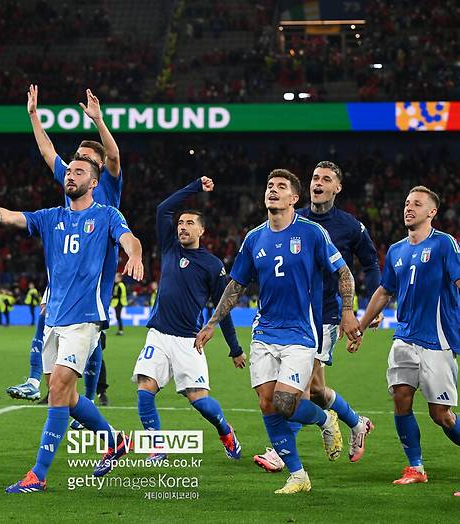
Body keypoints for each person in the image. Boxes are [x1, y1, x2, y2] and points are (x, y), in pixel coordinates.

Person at [0, 154, 144, 493]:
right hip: (54, 319)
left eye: (79, 171)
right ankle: (114, 441)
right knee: (63, 395)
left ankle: (38, 474)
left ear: (93, 182)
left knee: (58, 391)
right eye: (68, 171)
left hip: (85, 320)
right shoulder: (51, 218)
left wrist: (134, 255)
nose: (71, 175)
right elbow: (9, 217)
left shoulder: (107, 215)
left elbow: (130, 239)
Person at [195, 169, 361, 494]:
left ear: (293, 198)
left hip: (300, 333)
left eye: (281, 187)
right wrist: (212, 323)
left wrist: (346, 310)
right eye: (269, 186)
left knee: (286, 402)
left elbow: (343, 272)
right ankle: (298, 475)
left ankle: (325, 420)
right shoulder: (254, 237)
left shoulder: (311, 233)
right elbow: (236, 285)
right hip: (264, 333)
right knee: (267, 404)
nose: (272, 190)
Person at [255, 161, 380, 471]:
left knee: (302, 389)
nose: (318, 183)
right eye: (314, 178)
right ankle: (356, 421)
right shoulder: (293, 219)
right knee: (317, 390)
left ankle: (279, 449)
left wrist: (360, 309)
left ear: (337, 187)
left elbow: (370, 264)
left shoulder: (350, 226)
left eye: (326, 179)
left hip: (322, 316)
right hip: (290, 317)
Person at [7, 85, 122, 408]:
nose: (77, 164)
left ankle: (87, 398)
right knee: (46, 321)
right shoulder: (72, 179)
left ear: (97, 170)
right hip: (65, 266)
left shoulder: (108, 185)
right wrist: (33, 115)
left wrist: (99, 121)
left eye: (87, 160)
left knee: (93, 338)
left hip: (96, 272)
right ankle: (35, 381)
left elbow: (113, 156)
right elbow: (47, 152)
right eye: (77, 159)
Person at [352, 186, 460, 486]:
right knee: (401, 398)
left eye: (417, 204)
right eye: (407, 202)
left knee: (441, 415)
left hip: (437, 340)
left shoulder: (444, 245)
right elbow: (385, 290)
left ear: (432, 212)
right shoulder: (398, 250)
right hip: (404, 337)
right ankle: (416, 467)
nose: (409, 208)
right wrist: (361, 326)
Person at [133, 177, 245, 462]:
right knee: (145, 389)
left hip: (188, 340)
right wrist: (195, 186)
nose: (182, 227)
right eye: (180, 223)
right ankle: (156, 446)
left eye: (190, 223)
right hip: (158, 334)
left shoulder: (212, 265)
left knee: (200, 401)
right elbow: (163, 210)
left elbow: (223, 309)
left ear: (202, 230)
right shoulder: (170, 247)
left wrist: (234, 348)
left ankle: (225, 430)